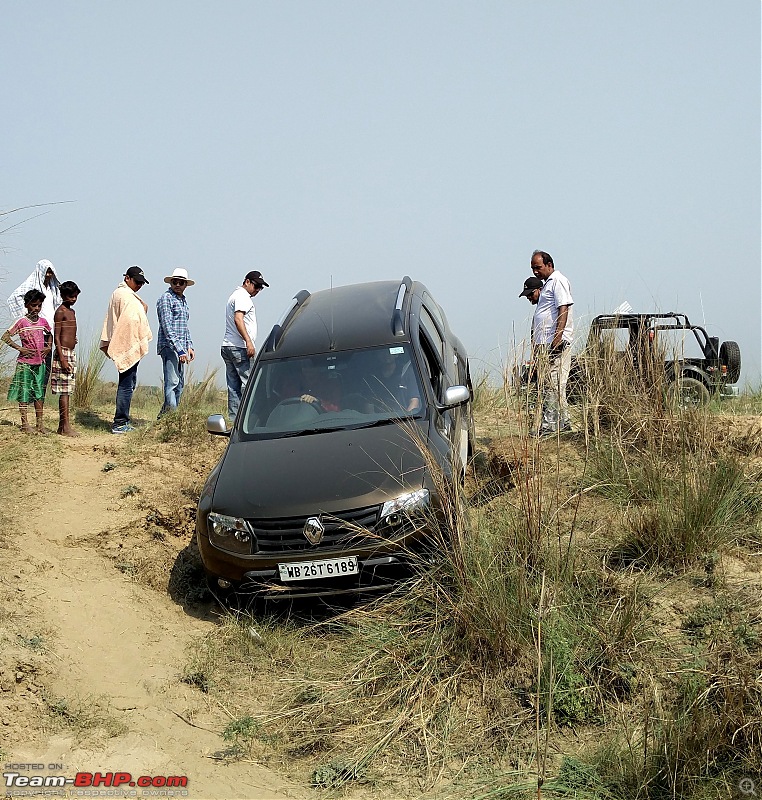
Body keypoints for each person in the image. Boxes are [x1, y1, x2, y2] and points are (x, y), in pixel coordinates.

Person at [526, 250, 574, 436]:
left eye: (538, 267)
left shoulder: (558, 281)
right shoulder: (548, 284)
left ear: (549, 264)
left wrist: (557, 337)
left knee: (551, 385)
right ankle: (564, 422)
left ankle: (549, 425)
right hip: (546, 343)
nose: (535, 272)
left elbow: (564, 307)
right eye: (533, 268)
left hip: (554, 343)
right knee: (554, 384)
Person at [100, 266, 153, 434]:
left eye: (142, 283)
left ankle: (122, 420)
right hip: (126, 343)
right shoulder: (123, 294)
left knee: (129, 383)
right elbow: (128, 321)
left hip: (130, 342)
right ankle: (120, 422)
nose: (139, 285)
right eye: (137, 282)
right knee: (126, 384)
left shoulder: (128, 296)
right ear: (127, 278)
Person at [7, 259, 62, 393]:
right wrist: (25, 318)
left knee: (44, 366)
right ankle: (28, 398)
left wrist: (49, 344)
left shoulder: (52, 289)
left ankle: (39, 398)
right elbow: (14, 297)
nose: (48, 275)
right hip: (33, 332)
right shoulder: (33, 287)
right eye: (46, 272)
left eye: (51, 272)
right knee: (29, 366)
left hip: (47, 331)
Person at [2, 289, 52, 434]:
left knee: (39, 393)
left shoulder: (43, 322)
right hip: (25, 363)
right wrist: (20, 348)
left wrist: (48, 347)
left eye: (39, 306)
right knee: (24, 392)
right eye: (33, 305)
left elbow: (49, 334)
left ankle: (40, 425)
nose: (36, 309)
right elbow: (5, 337)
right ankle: (25, 423)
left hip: (40, 363)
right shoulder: (21, 322)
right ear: (27, 305)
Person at [221, 270, 269, 420]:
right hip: (239, 347)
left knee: (233, 387)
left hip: (228, 345)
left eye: (260, 288)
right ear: (247, 282)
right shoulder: (243, 297)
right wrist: (248, 341)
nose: (257, 290)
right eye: (256, 286)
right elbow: (238, 319)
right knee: (249, 385)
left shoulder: (233, 296)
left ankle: (235, 420)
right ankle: (250, 421)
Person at [156, 267, 195, 417]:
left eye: (181, 282)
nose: (178, 285)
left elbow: (184, 326)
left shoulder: (183, 301)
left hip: (181, 348)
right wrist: (179, 349)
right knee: (172, 382)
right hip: (169, 346)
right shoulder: (166, 298)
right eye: (175, 282)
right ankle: (171, 417)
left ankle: (165, 416)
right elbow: (167, 326)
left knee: (179, 384)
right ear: (171, 282)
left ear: (185, 285)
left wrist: (189, 346)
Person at [51, 281, 81, 437]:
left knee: (67, 390)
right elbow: (56, 336)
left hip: (70, 352)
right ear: (63, 295)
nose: (74, 299)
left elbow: (69, 333)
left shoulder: (72, 312)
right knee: (64, 391)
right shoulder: (60, 312)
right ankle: (65, 426)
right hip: (62, 354)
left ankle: (62, 427)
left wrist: (73, 340)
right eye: (71, 296)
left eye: (75, 296)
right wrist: (61, 357)